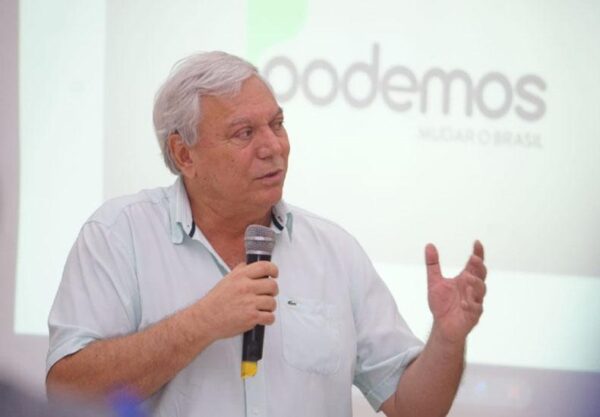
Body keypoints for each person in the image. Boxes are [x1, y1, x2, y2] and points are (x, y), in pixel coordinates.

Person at [46, 51, 487, 417]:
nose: (273, 146)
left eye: (277, 124)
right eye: (244, 133)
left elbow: (414, 408)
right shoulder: (119, 236)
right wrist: (202, 322)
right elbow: (68, 394)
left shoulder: (334, 251)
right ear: (184, 154)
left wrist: (447, 340)